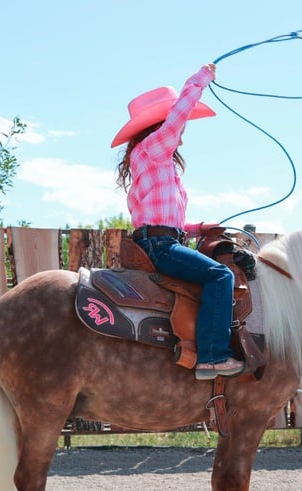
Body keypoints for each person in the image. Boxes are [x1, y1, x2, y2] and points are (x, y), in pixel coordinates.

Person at [112, 63, 244, 380]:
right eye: (178, 131)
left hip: (159, 240)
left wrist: (199, 228)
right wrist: (200, 79)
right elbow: (178, 117)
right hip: (160, 244)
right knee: (220, 276)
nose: (180, 139)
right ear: (160, 126)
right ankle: (212, 357)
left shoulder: (153, 160)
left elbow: (162, 218)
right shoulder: (153, 149)